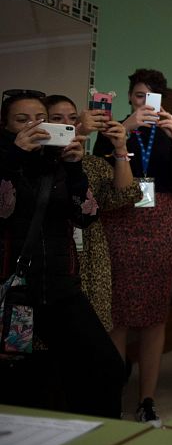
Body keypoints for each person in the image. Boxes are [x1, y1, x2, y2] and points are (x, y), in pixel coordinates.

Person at [0, 89, 124, 418]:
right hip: (17, 293)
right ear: (6, 125)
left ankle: (97, 436)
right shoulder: (4, 162)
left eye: (40, 119)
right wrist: (14, 159)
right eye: (21, 119)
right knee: (21, 378)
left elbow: (86, 214)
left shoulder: (57, 162)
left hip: (61, 287)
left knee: (106, 366)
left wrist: (73, 168)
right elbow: (3, 210)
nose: (33, 125)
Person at [93, 69, 172, 427]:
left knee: (154, 316)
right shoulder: (115, 130)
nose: (143, 103)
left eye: (150, 97)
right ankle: (113, 397)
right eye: (137, 96)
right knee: (116, 314)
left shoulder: (169, 134)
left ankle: (147, 400)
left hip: (163, 223)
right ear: (130, 98)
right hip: (121, 220)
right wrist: (127, 127)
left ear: (161, 102)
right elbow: (100, 170)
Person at [44, 95, 142, 332]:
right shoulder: (36, 164)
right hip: (50, 261)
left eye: (73, 119)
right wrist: (78, 130)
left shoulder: (93, 165)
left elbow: (125, 194)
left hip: (92, 260)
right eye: (57, 119)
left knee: (92, 340)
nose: (67, 124)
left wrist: (120, 148)